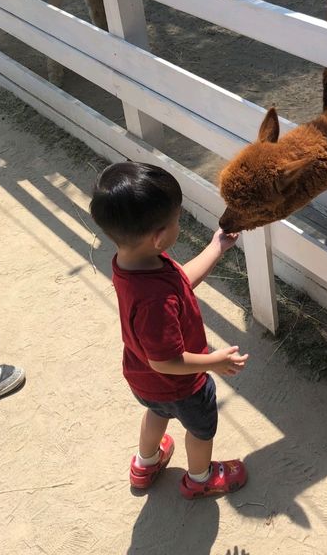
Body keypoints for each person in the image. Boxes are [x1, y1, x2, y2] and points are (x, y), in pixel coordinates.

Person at [90, 161, 249, 499]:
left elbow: (181, 283)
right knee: (201, 430)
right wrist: (213, 362)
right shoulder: (155, 299)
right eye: (177, 220)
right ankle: (200, 477)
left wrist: (216, 247)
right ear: (159, 237)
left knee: (156, 413)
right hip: (183, 386)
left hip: (141, 377)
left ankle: (145, 462)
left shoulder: (129, 262)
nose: (179, 224)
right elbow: (167, 361)